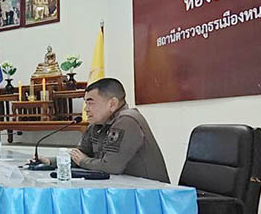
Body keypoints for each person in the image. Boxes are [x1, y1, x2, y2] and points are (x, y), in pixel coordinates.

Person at [42, 78, 170, 183]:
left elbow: (110, 167)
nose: (86, 109)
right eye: (86, 103)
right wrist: (50, 162)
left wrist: (83, 161)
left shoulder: (127, 120)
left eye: (91, 103)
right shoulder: (98, 123)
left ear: (112, 104)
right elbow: (80, 155)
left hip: (149, 194)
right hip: (121, 189)